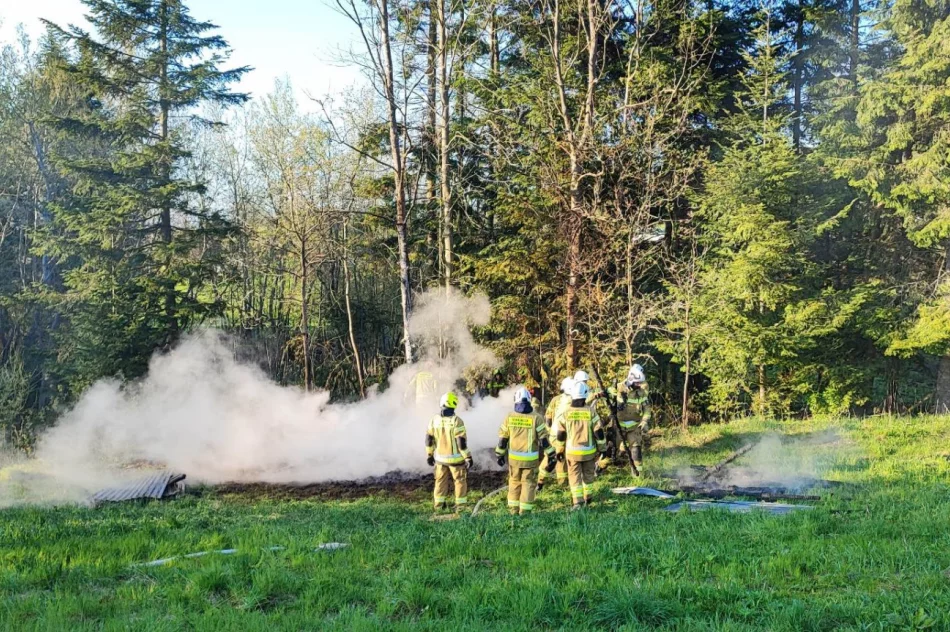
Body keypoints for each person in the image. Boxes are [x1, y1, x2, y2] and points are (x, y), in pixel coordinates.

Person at [495, 387, 556, 514]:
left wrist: (499, 455)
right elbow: (544, 440)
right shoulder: (536, 418)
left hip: (514, 460)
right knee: (528, 484)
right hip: (530, 461)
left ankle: (513, 510)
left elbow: (502, 439)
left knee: (514, 483)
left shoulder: (509, 417)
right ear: (529, 400)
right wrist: (551, 455)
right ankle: (525, 512)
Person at [556, 380, 608, 509]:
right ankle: (588, 498)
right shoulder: (591, 412)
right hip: (589, 452)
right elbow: (598, 432)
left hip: (572, 453)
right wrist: (603, 448)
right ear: (585, 396)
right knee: (588, 475)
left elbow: (561, 434)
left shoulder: (566, 413)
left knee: (574, 477)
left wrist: (559, 450)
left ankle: (577, 502)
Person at [425, 391, 473, 512]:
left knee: (440, 482)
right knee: (460, 481)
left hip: (440, 459)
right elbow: (461, 443)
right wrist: (468, 457)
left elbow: (429, 440)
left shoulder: (434, 420)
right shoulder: (457, 421)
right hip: (456, 460)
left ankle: (438, 507)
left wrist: (430, 455)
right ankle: (460, 508)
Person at [614, 364, 651, 470]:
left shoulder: (641, 392)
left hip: (634, 427)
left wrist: (644, 421)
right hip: (618, 427)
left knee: (636, 451)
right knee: (613, 451)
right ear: (630, 379)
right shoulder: (618, 388)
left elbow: (647, 408)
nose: (639, 385)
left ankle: (638, 476)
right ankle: (601, 469)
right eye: (637, 383)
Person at [539, 376, 573, 489]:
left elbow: (548, 416)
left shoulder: (556, 399)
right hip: (562, 434)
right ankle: (562, 484)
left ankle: (540, 481)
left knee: (551, 457)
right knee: (560, 458)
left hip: (555, 434)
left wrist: (549, 432)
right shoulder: (573, 400)